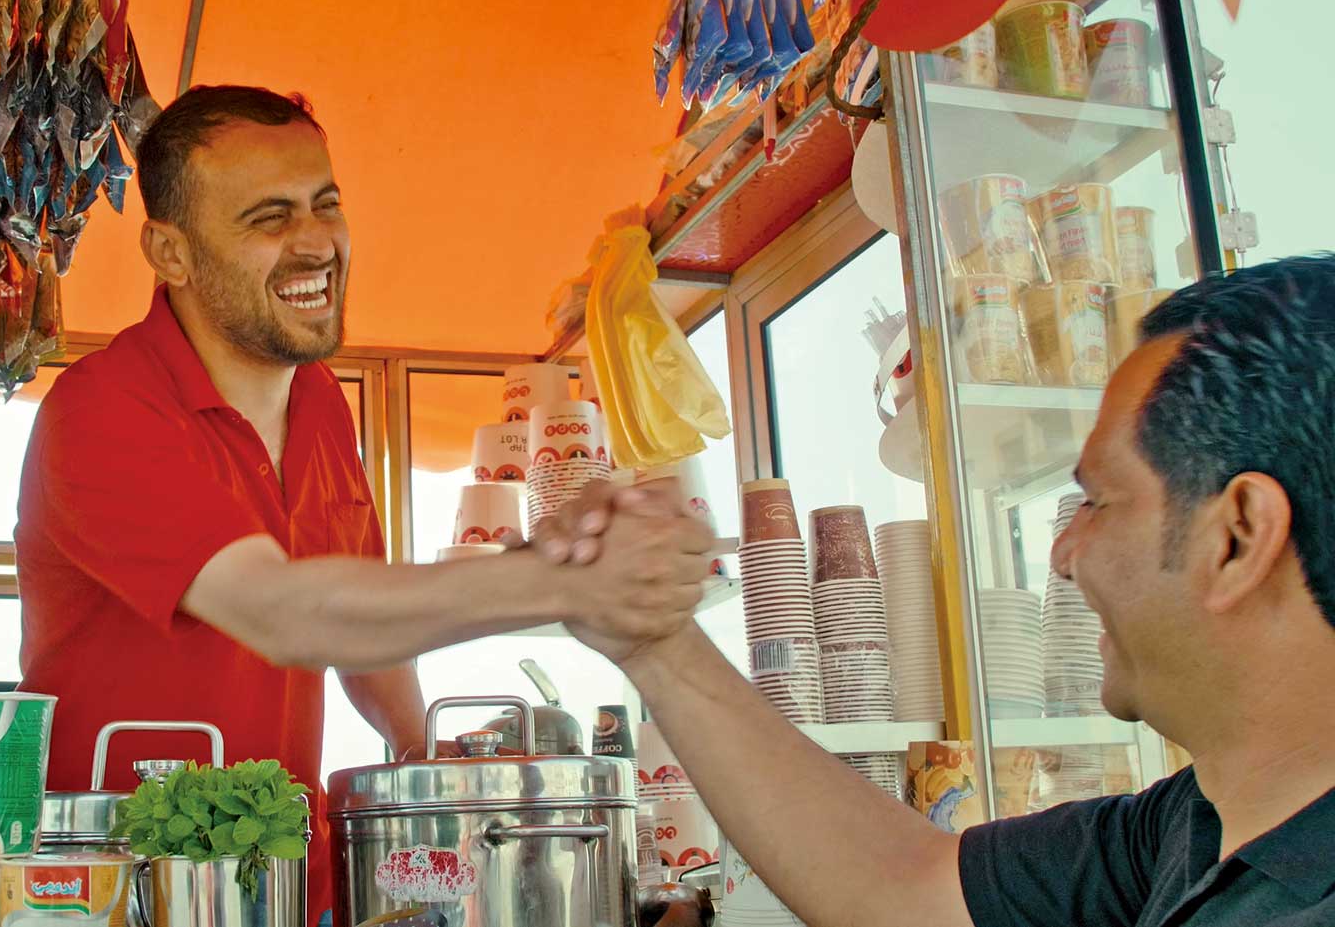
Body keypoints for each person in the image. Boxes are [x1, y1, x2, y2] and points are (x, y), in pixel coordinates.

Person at [12, 85, 714, 925]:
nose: (316, 242)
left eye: (326, 204)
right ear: (171, 252)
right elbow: (284, 612)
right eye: (269, 217)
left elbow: (359, 627)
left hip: (285, 877)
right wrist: (562, 579)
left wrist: (423, 753)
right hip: (121, 887)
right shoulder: (103, 408)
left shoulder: (318, 402)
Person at [542, 255, 1335, 926]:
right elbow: (906, 886)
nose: (1063, 553)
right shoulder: (1188, 827)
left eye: (1097, 501)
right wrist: (657, 643)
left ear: (1237, 535)